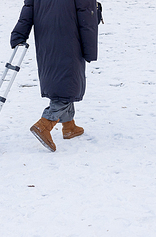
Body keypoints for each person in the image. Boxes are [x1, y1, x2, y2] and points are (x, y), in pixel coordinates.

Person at [10, 0, 99, 152]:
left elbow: (28, 8)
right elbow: (87, 18)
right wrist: (90, 50)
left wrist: (19, 34)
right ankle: (44, 124)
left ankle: (69, 125)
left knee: (60, 77)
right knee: (68, 79)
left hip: (45, 34)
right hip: (70, 35)